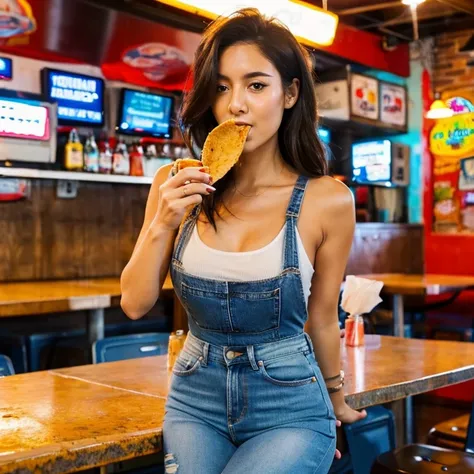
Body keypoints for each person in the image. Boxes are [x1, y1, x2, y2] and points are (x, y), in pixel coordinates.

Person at [120, 8, 367, 474]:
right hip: (195, 399)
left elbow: (321, 317)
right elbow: (134, 303)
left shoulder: (328, 200)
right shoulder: (173, 184)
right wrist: (162, 222)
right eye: (221, 87)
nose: (236, 104)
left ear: (290, 93)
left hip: (290, 404)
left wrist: (335, 398)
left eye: (256, 85)